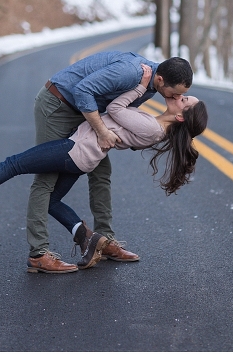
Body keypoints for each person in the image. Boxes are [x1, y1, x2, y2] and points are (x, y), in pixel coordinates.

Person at [0, 64, 208, 270]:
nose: (179, 97)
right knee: (51, 200)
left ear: (182, 118)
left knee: (13, 164)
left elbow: (115, 110)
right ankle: (85, 237)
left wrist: (138, 86)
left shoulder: (152, 127)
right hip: (83, 155)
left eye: (184, 100)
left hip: (74, 151)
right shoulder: (155, 127)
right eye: (182, 94)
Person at [26, 52, 193, 273]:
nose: (175, 99)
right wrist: (102, 132)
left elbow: (122, 113)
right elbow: (82, 91)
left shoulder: (151, 85)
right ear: (162, 80)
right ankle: (38, 254)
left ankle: (104, 241)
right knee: (46, 179)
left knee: (101, 172)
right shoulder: (131, 72)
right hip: (58, 105)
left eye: (181, 97)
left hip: (84, 112)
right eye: (175, 94)